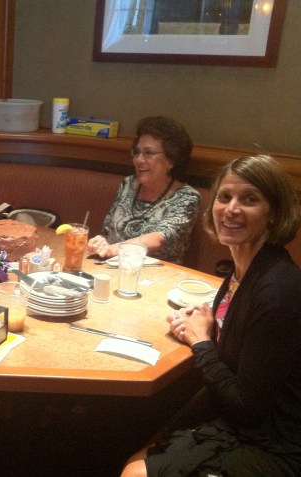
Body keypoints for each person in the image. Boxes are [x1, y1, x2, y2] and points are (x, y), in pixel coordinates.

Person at [121, 154, 301, 476]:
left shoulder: (277, 291)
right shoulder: (244, 270)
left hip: (275, 443)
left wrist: (202, 342)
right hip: (241, 420)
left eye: (249, 199)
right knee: (136, 442)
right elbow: (241, 345)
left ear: (274, 214)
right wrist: (205, 327)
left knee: (135, 471)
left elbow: (246, 408)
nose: (231, 209)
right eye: (224, 196)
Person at [87, 116, 200, 263]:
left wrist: (114, 249)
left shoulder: (186, 197)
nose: (139, 159)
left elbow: (161, 238)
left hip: (157, 273)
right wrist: (101, 242)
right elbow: (108, 231)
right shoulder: (128, 184)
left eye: (149, 153)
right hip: (112, 267)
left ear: (171, 160)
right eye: (137, 152)